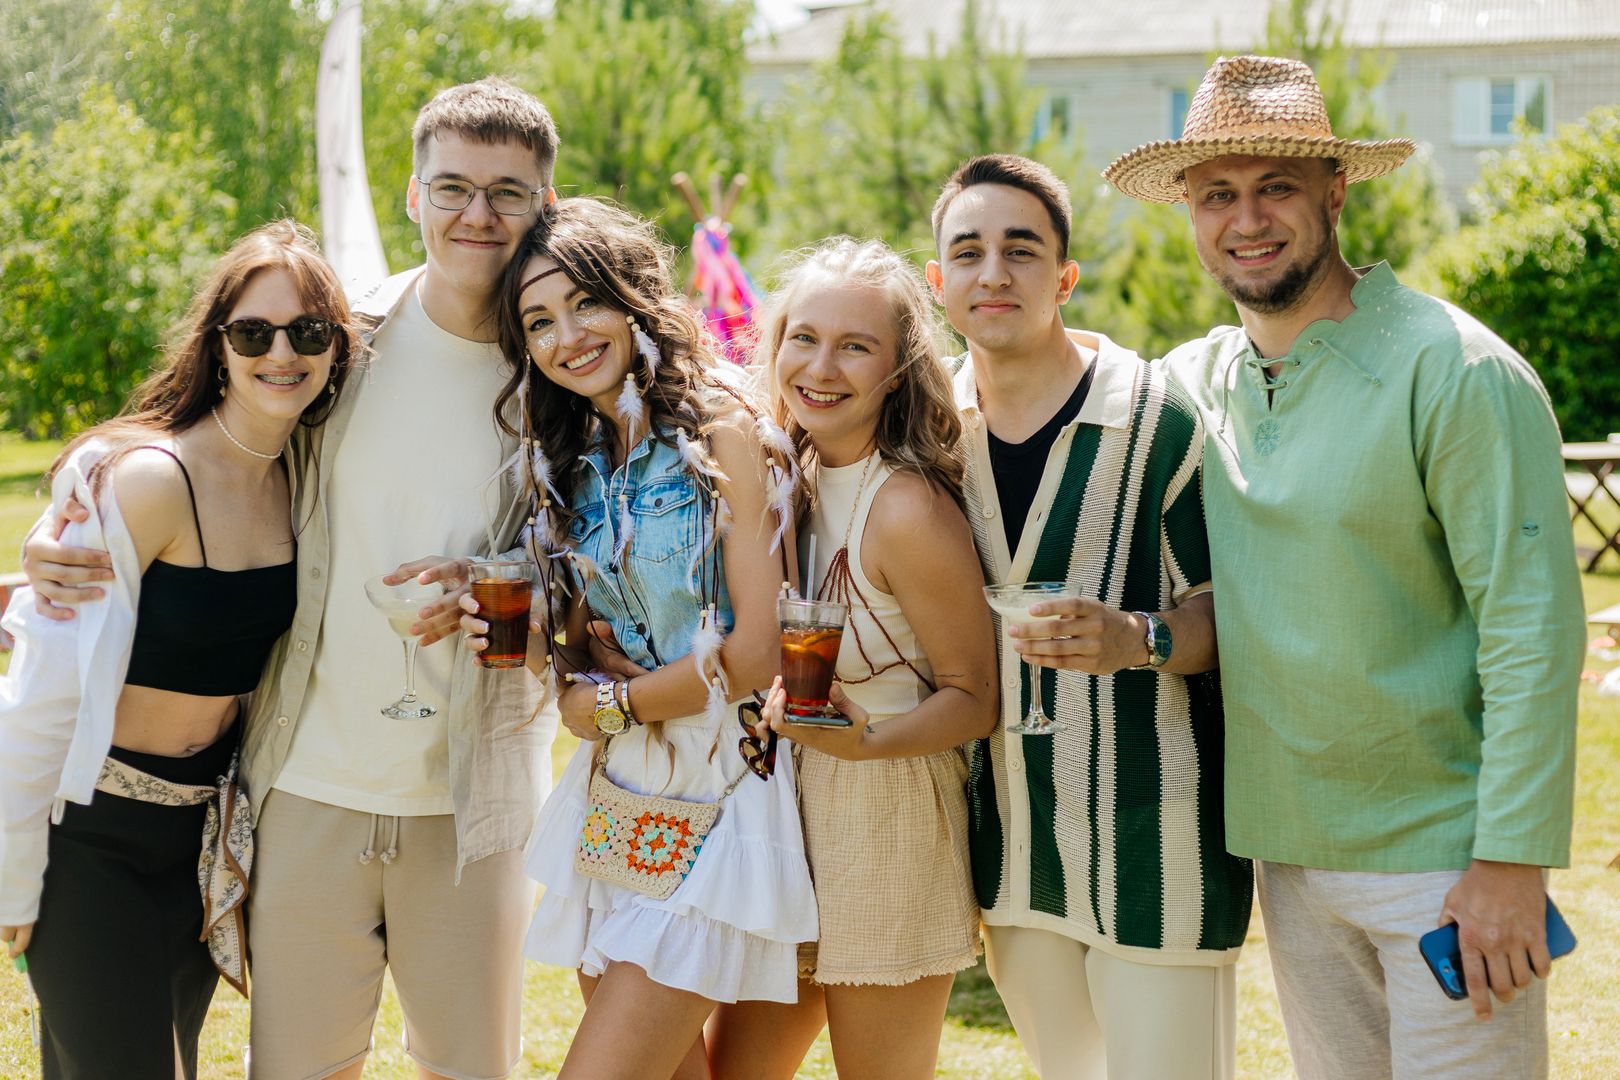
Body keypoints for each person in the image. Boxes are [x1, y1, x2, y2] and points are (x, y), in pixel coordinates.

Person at [20, 77, 562, 1080]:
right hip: (305, 783)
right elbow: (203, 434)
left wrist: (518, 592)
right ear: (414, 195)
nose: (477, 214)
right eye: (453, 187)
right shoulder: (341, 336)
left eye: (507, 192)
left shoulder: (561, 363)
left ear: (545, 203)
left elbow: (618, 537)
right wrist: (63, 517)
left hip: (472, 796)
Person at [1105, 54, 1586, 1079]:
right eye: (1216, 194)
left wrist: (1511, 861)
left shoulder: (1456, 371)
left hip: (1446, 859)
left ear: (1335, 193)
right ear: (1189, 213)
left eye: (1275, 185)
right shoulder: (1197, 379)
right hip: (1288, 857)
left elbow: (1533, 630)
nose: (1246, 219)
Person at [460, 196, 817, 1080]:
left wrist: (612, 705)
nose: (567, 336)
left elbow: (758, 652)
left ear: (634, 298)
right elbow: (585, 640)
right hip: (620, 796)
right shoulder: (574, 454)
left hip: (723, 787)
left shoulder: (722, 429)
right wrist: (541, 646)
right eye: (539, 321)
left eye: (585, 302)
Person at [0, 221, 358, 1079]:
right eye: (254, 332)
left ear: (337, 348)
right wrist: (12, 874)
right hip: (91, 840)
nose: (282, 353)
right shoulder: (150, 480)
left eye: (309, 332)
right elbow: (41, 690)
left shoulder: (305, 478)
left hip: (200, 841)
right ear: (218, 346)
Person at [925, 153, 1254, 1080]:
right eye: (969, 252)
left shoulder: (1161, 420)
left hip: (1158, 844)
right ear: (939, 282)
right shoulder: (928, 428)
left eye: (1021, 250)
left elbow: (1230, 608)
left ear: (1064, 277)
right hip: (1012, 849)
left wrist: (1140, 639)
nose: (994, 273)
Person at [703, 238, 997, 1080]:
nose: (821, 367)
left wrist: (866, 743)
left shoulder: (905, 507)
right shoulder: (780, 474)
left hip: (885, 811)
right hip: (781, 807)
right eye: (803, 337)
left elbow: (974, 697)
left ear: (896, 372)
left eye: (855, 346)